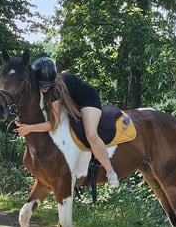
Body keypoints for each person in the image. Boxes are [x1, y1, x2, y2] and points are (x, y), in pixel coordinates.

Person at [14, 57, 119, 188]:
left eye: (48, 85)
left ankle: (110, 171)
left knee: (91, 134)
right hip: (68, 103)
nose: (45, 88)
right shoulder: (35, 87)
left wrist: (29, 128)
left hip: (87, 101)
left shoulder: (55, 90)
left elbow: (54, 124)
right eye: (41, 84)